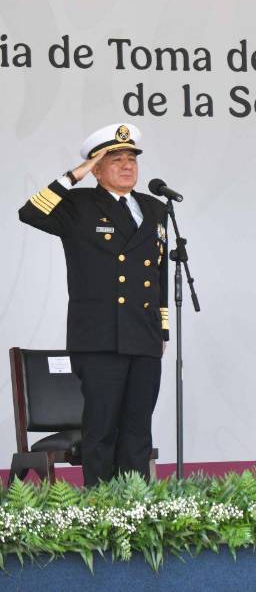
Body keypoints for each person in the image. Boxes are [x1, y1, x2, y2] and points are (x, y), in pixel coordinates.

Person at [18, 123, 169, 485]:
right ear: (97, 169)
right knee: (101, 430)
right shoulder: (79, 205)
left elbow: (159, 274)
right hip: (100, 337)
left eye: (132, 158)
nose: (127, 165)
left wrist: (162, 329)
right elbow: (30, 212)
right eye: (116, 159)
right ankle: (101, 503)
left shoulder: (154, 208)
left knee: (138, 430)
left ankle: (133, 504)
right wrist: (75, 175)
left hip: (144, 334)